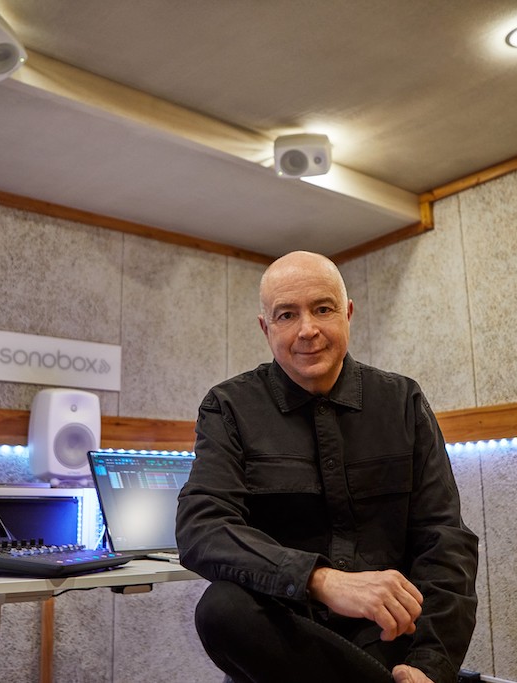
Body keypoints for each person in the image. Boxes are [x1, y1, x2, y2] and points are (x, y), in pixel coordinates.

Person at [176, 250, 478, 683]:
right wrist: (320, 580)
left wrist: (429, 665)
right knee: (221, 609)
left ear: (347, 313)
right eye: (286, 315)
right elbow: (202, 528)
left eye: (322, 309)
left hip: (387, 640)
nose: (308, 330)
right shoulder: (228, 407)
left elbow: (445, 540)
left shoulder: (403, 401)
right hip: (285, 638)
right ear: (265, 328)